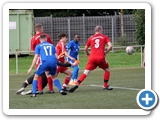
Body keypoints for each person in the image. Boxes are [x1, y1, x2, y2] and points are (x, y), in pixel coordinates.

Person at [69, 25, 113, 93]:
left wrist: (87, 53)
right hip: (100, 57)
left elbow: (85, 48)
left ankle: (77, 83)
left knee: (86, 72)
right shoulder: (104, 37)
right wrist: (106, 52)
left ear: (95, 31)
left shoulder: (91, 38)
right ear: (100, 30)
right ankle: (105, 86)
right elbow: (110, 45)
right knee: (107, 70)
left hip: (92, 58)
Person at [30, 23, 54, 93]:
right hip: (48, 57)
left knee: (39, 74)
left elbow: (33, 50)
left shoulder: (33, 38)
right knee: (48, 73)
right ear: (40, 29)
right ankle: (51, 89)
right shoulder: (46, 36)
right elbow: (51, 46)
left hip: (39, 58)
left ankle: (40, 90)